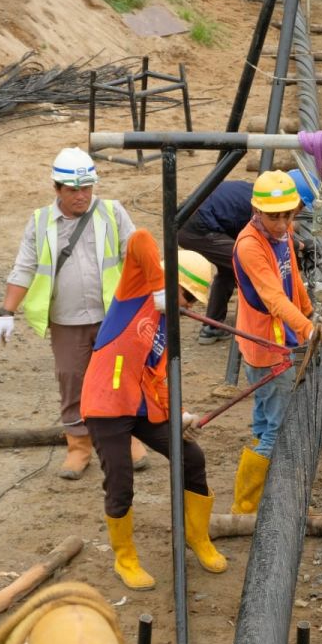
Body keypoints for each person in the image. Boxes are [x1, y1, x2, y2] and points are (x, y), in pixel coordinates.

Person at [78, 235, 225, 590]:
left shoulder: (166, 324)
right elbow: (140, 238)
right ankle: (125, 559)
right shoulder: (136, 290)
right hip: (105, 405)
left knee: (191, 456)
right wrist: (161, 287)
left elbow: (158, 378)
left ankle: (198, 538)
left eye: (193, 301)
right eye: (187, 296)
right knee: (120, 481)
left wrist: (181, 414)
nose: (188, 306)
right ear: (172, 282)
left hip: (142, 406)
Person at [0, 147, 149, 479]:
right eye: (73, 190)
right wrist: (6, 311)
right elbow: (24, 268)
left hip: (113, 317)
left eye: (86, 188)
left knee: (121, 377)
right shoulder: (40, 222)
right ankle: (79, 447)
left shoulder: (112, 212)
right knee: (71, 380)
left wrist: (158, 290)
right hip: (67, 321)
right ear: (57, 189)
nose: (81, 196)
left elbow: (136, 253)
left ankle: (130, 438)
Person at [230, 170, 315, 514]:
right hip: (265, 344)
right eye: (274, 216)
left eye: (287, 215)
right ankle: (247, 504)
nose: (282, 223)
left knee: (264, 420)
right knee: (276, 428)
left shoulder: (283, 233)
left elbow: (293, 277)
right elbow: (274, 298)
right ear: (257, 211)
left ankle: (252, 496)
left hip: (276, 340)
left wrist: (309, 313)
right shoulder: (250, 246)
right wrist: (307, 329)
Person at [177, 170, 315, 345]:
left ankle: (212, 326)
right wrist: (300, 246)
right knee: (247, 267)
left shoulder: (264, 196)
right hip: (193, 226)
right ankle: (222, 327)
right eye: (300, 207)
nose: (295, 213)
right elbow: (269, 240)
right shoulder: (263, 209)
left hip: (201, 219)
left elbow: (276, 233)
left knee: (229, 269)